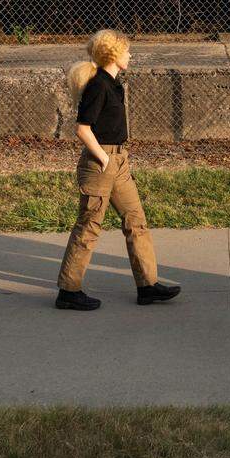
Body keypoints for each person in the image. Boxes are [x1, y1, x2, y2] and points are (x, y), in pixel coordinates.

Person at [54, 29, 180, 311]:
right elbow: (82, 129)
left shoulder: (113, 84)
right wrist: (104, 159)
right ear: (113, 55)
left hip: (118, 162)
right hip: (101, 163)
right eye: (126, 51)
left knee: (136, 220)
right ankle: (68, 291)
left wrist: (116, 161)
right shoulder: (98, 85)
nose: (130, 55)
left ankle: (147, 286)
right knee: (89, 226)